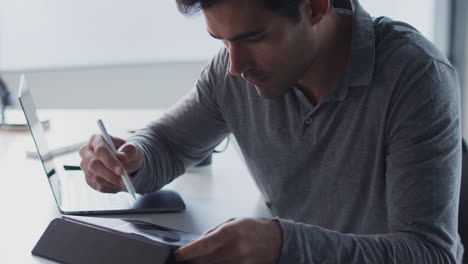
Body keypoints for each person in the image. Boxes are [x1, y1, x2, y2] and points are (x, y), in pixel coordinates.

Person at [79, 0, 464, 262]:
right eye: (223, 41)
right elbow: (169, 142)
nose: (235, 66)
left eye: (253, 38)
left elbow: (429, 253)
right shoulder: (232, 72)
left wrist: (284, 244)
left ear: (314, 6)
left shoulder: (417, 77)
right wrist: (131, 160)